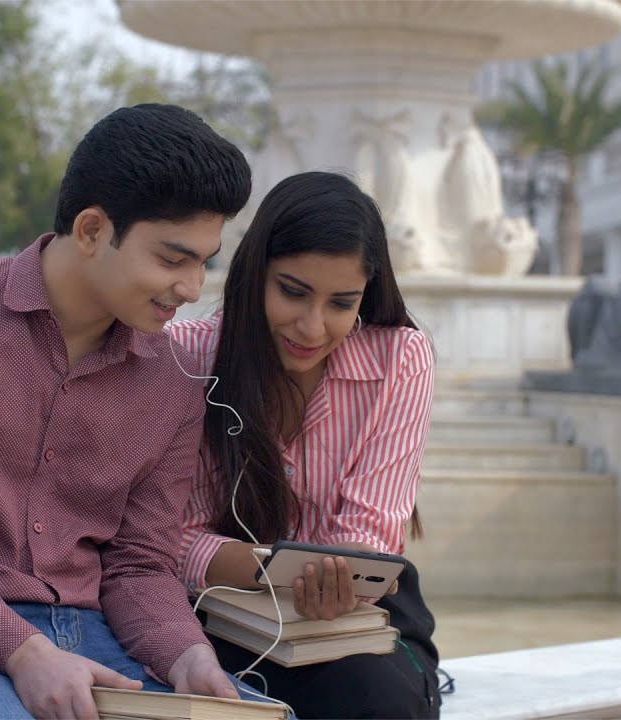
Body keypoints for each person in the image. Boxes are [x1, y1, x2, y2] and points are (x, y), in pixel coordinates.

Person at [0, 104, 254, 719]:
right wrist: (23, 650)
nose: (193, 288)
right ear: (91, 230)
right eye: (173, 260)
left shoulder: (171, 380)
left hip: (100, 643)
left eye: (206, 262)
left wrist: (186, 654)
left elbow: (140, 566)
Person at [170, 171, 441, 718]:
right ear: (254, 275)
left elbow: (369, 539)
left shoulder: (399, 361)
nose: (312, 327)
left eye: (341, 303)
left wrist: (323, 576)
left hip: (359, 617)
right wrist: (278, 573)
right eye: (292, 292)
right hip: (220, 614)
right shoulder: (187, 358)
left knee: (377, 700)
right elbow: (166, 537)